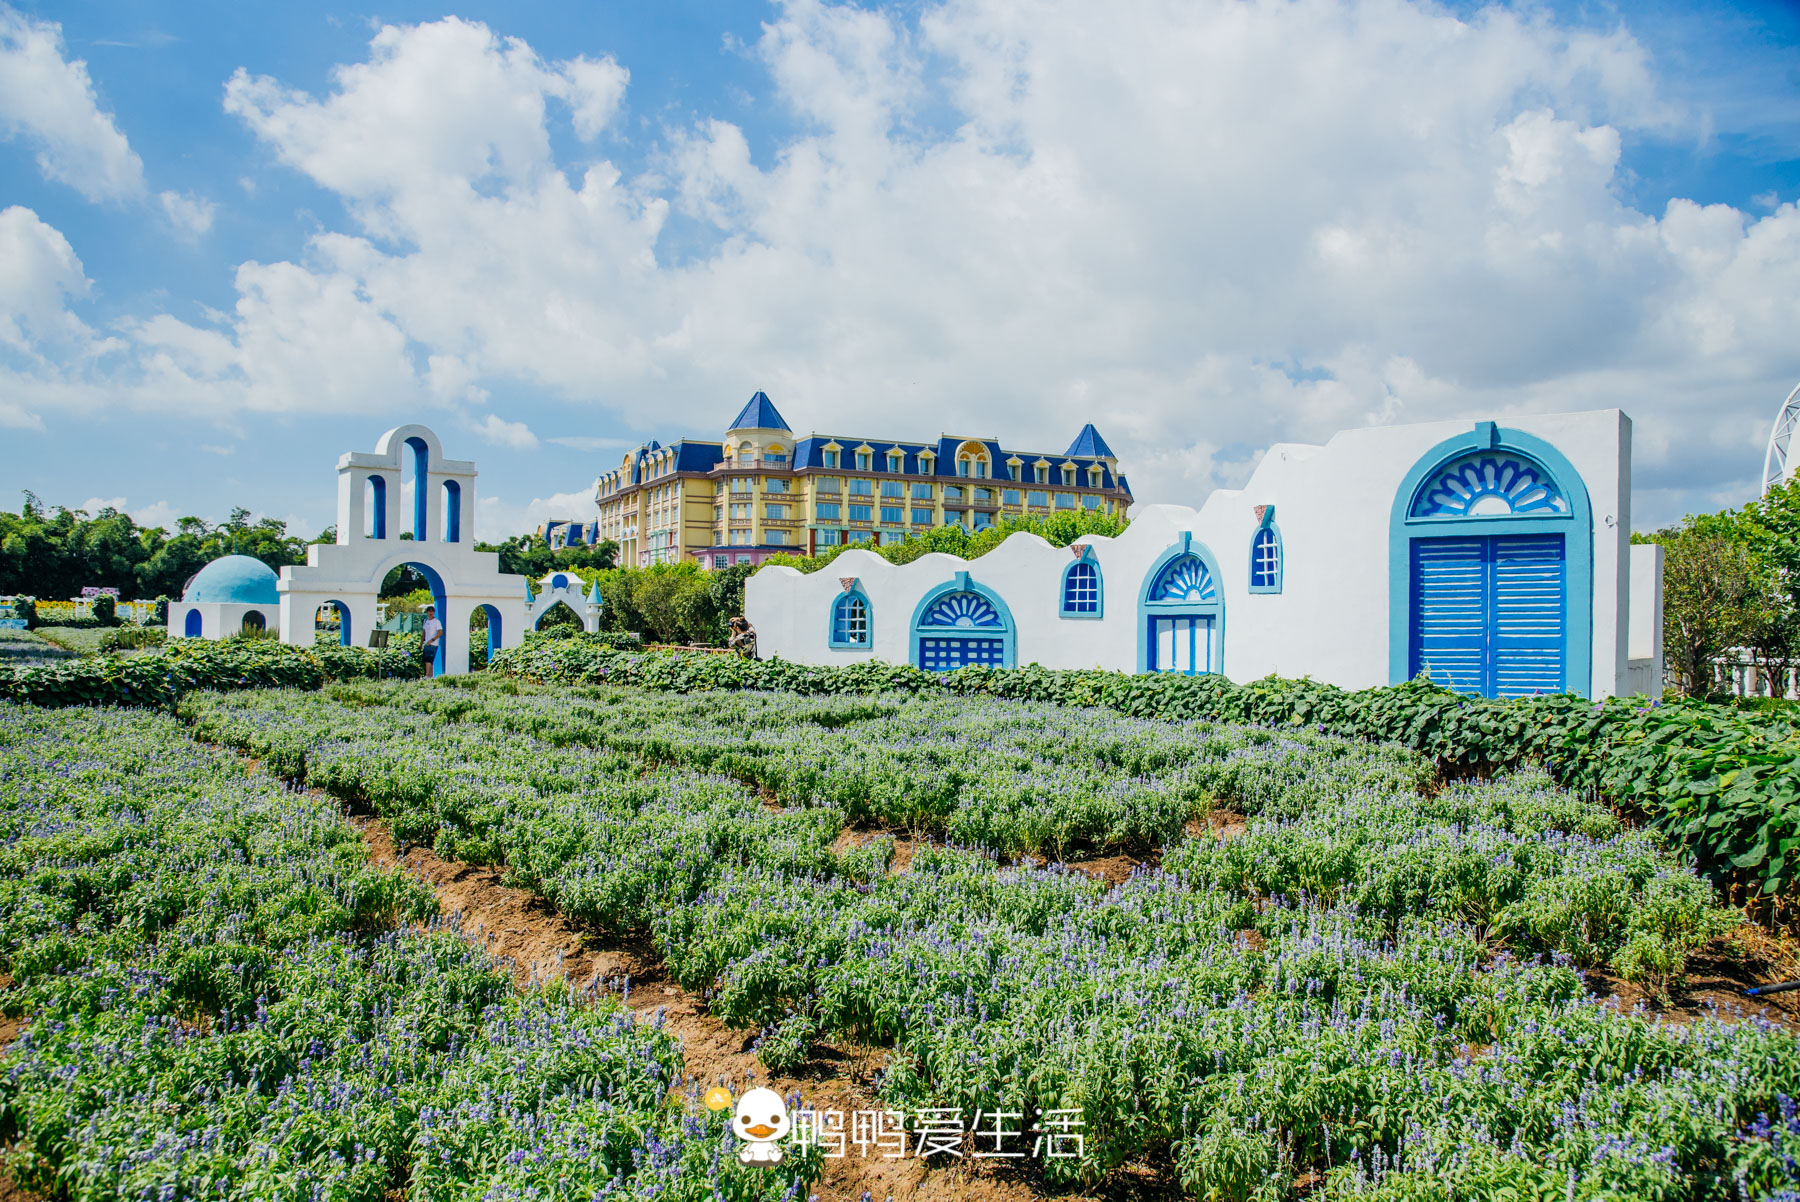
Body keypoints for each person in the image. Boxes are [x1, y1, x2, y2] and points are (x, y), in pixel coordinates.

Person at [420, 603, 443, 677]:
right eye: (429, 611)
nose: (431, 612)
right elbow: (424, 633)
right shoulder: (425, 621)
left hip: (433, 644)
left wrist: (432, 640)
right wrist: (421, 643)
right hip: (427, 643)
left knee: (429, 660)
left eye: (432, 611)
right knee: (428, 661)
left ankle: (427, 675)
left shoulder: (436, 621)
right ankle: (430, 676)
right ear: (427, 612)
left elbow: (440, 632)